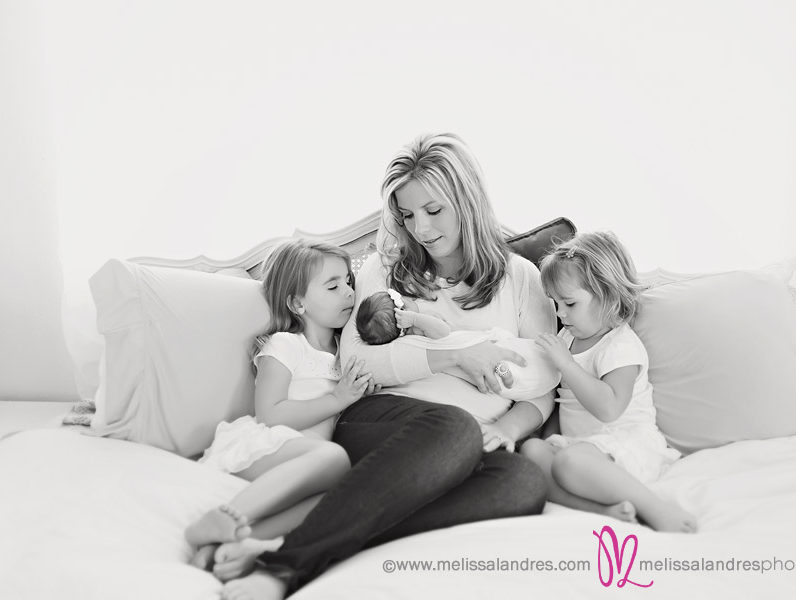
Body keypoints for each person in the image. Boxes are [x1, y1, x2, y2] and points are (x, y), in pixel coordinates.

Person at [220, 133, 551, 600]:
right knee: (453, 429)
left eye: (433, 211)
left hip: (475, 437)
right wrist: (453, 355)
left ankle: (295, 542)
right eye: (407, 214)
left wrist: (512, 429)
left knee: (524, 483)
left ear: (468, 200)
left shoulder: (521, 277)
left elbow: (542, 380)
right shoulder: (385, 269)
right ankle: (281, 569)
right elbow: (357, 360)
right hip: (384, 422)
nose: (421, 228)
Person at [186, 240, 379, 581]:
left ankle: (233, 544)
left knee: (341, 497)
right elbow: (270, 414)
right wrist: (339, 399)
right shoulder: (287, 344)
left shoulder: (344, 351)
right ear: (297, 302)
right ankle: (226, 515)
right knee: (334, 458)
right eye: (333, 286)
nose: (348, 292)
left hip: (305, 463)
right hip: (265, 445)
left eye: (349, 281)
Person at [520, 232, 697, 533]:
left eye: (570, 304)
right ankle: (605, 511)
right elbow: (563, 401)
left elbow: (609, 408)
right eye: (556, 304)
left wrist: (565, 363)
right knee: (532, 453)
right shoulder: (568, 338)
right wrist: (550, 440)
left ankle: (656, 509)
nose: (561, 314)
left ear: (608, 296)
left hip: (625, 444)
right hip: (582, 448)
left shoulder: (619, 346)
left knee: (570, 463)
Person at [356, 288, 561, 402]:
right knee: (503, 368)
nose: (411, 302)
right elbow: (443, 332)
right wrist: (416, 318)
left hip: (481, 361)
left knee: (506, 359)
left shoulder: (406, 341)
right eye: (405, 303)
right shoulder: (417, 327)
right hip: (473, 366)